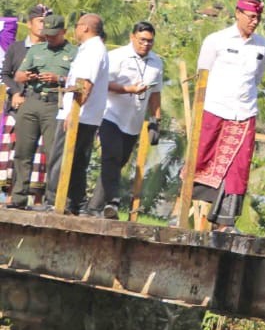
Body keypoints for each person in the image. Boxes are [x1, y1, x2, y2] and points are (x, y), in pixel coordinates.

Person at [191, 0, 265, 231]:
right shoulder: (216, 40)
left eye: (258, 18)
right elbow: (202, 74)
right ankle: (184, 208)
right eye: (250, 16)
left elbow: (257, 78)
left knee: (238, 167)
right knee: (201, 157)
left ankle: (225, 222)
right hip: (214, 108)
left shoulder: (262, 45)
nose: (254, 22)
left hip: (244, 113)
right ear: (238, 13)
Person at [87, 21, 164, 218]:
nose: (145, 44)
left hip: (133, 122)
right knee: (111, 156)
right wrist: (128, 89)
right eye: (142, 40)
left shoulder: (157, 62)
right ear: (132, 37)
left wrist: (156, 120)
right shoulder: (117, 57)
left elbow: (155, 93)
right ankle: (113, 201)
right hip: (110, 115)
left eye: (150, 41)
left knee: (117, 162)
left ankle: (94, 206)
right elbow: (102, 83)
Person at [41, 14, 109, 214]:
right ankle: (76, 203)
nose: (76, 30)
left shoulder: (93, 50)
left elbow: (84, 85)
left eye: (78, 26)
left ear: (86, 28)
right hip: (86, 114)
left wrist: (73, 113)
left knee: (61, 158)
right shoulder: (90, 49)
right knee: (78, 161)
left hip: (80, 114)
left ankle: (54, 200)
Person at [6, 14, 75, 210]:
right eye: (47, 34)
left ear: (64, 32)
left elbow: (79, 80)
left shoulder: (73, 52)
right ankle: (18, 198)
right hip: (31, 101)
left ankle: (52, 200)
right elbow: (17, 75)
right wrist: (27, 75)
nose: (49, 38)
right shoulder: (36, 49)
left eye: (54, 35)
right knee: (23, 151)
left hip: (55, 105)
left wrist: (59, 79)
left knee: (53, 154)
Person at [1, 5, 49, 196]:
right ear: (29, 24)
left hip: (40, 108)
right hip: (15, 107)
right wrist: (14, 92)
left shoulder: (51, 50)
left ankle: (36, 203)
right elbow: (5, 74)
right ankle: (11, 199)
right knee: (13, 154)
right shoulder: (16, 48)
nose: (43, 26)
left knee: (38, 157)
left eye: (47, 22)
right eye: (40, 21)